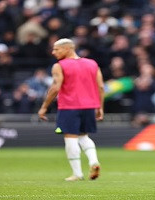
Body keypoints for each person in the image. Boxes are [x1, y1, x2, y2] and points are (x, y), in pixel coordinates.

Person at [38, 38, 105, 181]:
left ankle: (77, 173)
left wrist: (44, 107)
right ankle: (93, 161)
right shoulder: (92, 64)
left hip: (69, 106)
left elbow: (56, 87)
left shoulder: (59, 66)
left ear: (67, 49)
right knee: (84, 136)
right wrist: (100, 107)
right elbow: (101, 87)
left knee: (70, 138)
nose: (53, 52)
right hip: (89, 106)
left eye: (57, 49)